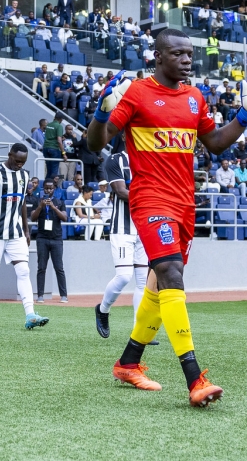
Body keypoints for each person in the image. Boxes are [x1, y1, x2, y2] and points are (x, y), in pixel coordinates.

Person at [86, 28, 247, 406]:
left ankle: (128, 363)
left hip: (184, 203)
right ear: (158, 57)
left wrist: (244, 115)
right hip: (150, 198)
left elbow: (217, 144)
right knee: (171, 272)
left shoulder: (194, 97)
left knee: (161, 283)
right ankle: (195, 378)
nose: (188, 60)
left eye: (190, 54)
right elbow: (97, 143)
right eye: (178, 54)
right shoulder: (138, 93)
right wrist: (100, 113)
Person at [94, 148, 164, 346]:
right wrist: (149, 198)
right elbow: (120, 191)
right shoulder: (116, 160)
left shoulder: (151, 159)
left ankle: (138, 332)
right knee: (124, 276)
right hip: (122, 228)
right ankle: (103, 309)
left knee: (143, 281)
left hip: (144, 228)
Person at [0, 143, 48, 330]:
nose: (19, 164)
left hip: (16, 232)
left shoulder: (25, 175)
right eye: (17, 161)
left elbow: (22, 203)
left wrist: (26, 229)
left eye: (23, 162)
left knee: (24, 271)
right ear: (9, 155)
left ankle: (30, 315)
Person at [29, 179, 68, 303]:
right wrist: (41, 206)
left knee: (59, 268)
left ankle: (64, 295)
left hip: (56, 239)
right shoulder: (37, 201)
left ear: (54, 189)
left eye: (51, 188)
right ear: (43, 189)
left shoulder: (59, 202)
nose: (48, 190)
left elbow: (65, 218)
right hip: (42, 238)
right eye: (46, 188)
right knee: (41, 267)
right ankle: (40, 295)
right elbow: (33, 217)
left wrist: (53, 207)